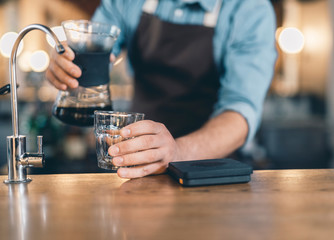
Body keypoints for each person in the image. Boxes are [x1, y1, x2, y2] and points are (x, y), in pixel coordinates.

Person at [46, 0, 277, 179]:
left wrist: (177, 152)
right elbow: (96, 44)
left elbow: (240, 114)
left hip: (209, 172)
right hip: (138, 166)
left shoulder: (250, 10)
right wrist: (69, 61)